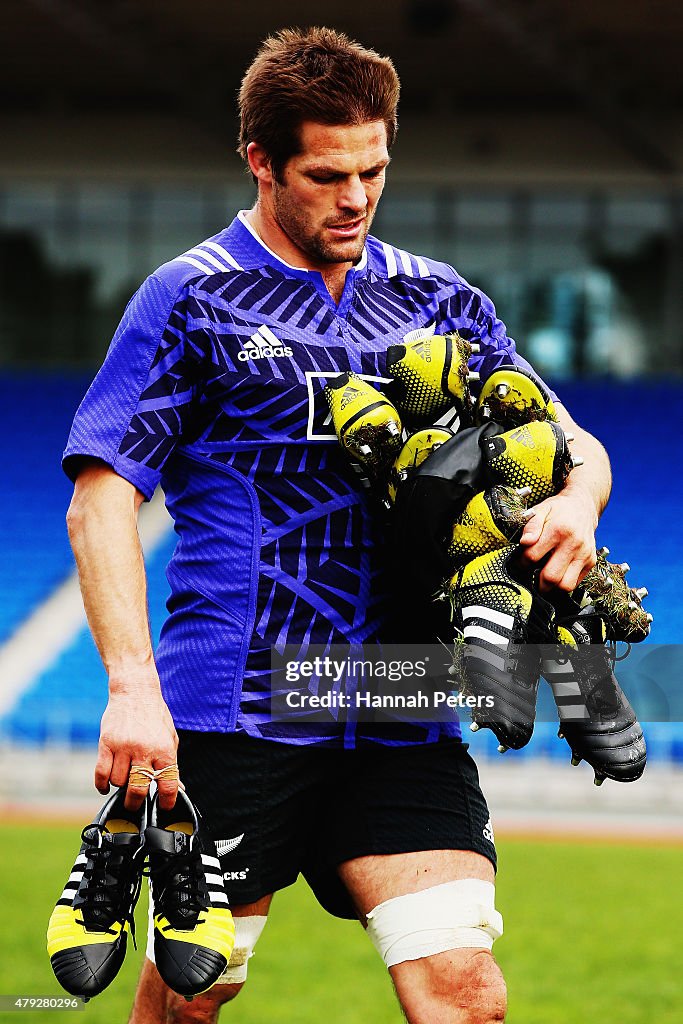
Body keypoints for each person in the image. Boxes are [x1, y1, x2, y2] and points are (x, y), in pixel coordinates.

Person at [63, 26, 611, 1024]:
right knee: (192, 998)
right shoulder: (187, 299)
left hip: (398, 698)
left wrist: (573, 504)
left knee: (465, 992)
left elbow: (572, 442)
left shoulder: (438, 299)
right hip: (235, 707)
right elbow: (101, 496)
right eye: (325, 174)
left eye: (373, 169)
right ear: (260, 160)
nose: (355, 197)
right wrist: (131, 689)